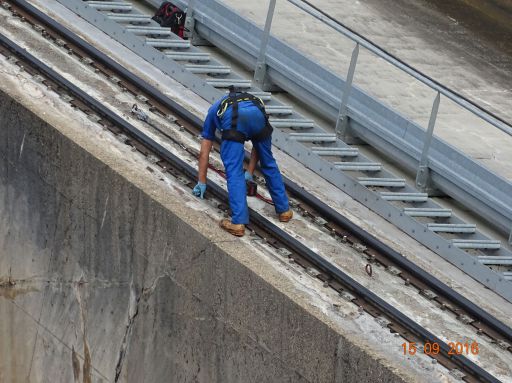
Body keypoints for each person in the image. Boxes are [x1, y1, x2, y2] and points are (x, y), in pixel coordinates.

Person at [192, 87, 293, 237]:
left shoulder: (215, 110)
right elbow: (257, 144)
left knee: (234, 171)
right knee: (269, 162)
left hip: (234, 121)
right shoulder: (252, 101)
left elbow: (204, 152)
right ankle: (284, 210)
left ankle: (238, 222)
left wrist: (201, 181)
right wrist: (250, 172)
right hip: (258, 117)